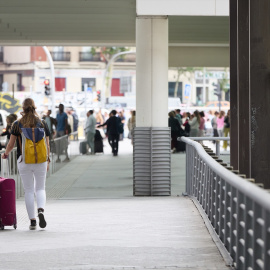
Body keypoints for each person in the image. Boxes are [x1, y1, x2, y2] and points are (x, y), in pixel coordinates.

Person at [1, 98, 50, 230]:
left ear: (23, 108)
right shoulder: (42, 123)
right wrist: (48, 159)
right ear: (34, 107)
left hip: (24, 160)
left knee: (28, 190)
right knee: (40, 188)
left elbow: (11, 144)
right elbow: (47, 144)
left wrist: (5, 153)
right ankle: (41, 210)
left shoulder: (17, 124)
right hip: (40, 160)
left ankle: (32, 221)